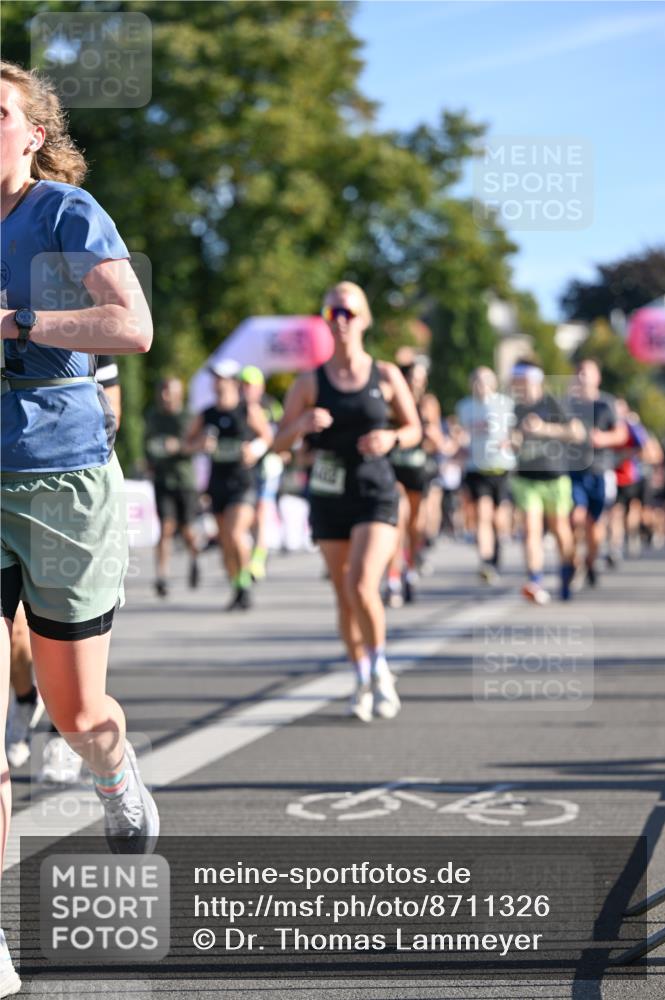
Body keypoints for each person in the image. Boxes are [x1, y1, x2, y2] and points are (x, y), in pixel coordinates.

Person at [1, 60, 159, 994]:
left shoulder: (64, 213)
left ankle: (111, 769)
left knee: (76, 713)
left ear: (32, 133)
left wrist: (17, 322)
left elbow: (131, 327)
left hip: (59, 480)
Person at [273, 282, 421, 722]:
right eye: (332, 312)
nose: (340, 321)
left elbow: (414, 429)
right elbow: (278, 443)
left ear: (364, 320)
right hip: (328, 493)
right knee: (343, 594)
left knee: (361, 584)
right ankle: (359, 676)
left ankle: (380, 669)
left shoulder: (386, 375)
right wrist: (300, 424)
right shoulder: (309, 381)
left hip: (375, 490)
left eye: (348, 313)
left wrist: (392, 438)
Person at [7, 355, 122, 778]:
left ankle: (85, 751)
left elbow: (111, 406)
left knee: (79, 710)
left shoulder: (74, 319)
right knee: (18, 632)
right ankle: (24, 699)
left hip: (58, 489)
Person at [186, 360, 273, 611]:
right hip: (218, 483)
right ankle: (238, 585)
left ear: (234, 381)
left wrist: (255, 449)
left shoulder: (248, 410)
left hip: (242, 482)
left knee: (235, 534)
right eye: (215, 378)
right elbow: (186, 444)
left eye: (222, 378)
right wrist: (200, 444)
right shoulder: (207, 414)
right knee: (225, 541)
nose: (217, 383)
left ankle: (245, 584)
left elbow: (267, 436)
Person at [509, 361, 585, 604]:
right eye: (516, 382)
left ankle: (568, 569)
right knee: (531, 530)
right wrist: (512, 442)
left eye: (522, 381)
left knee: (560, 530)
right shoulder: (515, 408)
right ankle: (535, 581)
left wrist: (544, 429)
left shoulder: (553, 403)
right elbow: (513, 439)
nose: (519, 386)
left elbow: (577, 433)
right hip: (526, 477)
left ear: (535, 380)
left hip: (554, 476)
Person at [386, 353, 450, 606]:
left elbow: (439, 442)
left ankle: (410, 570)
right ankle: (392, 579)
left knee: (416, 526)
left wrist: (433, 436)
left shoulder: (428, 403)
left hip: (419, 470)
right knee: (398, 523)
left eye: (421, 379)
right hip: (395, 470)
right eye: (412, 377)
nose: (416, 383)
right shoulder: (393, 400)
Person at [566, 359, 625, 587]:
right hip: (574, 471)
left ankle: (590, 561)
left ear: (597, 378)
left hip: (600, 470)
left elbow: (621, 434)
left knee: (594, 525)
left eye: (587, 373)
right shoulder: (569, 404)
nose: (582, 377)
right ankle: (574, 563)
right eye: (579, 372)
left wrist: (602, 438)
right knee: (576, 517)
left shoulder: (607, 403)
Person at [456, 367, 516, 584]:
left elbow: (515, 432)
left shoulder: (505, 404)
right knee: (482, 515)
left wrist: (511, 441)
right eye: (476, 381)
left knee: (498, 519)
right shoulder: (465, 407)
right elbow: (461, 434)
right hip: (476, 467)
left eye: (484, 381)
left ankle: (496, 551)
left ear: (493, 383)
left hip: (501, 467)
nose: (480, 386)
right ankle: (486, 561)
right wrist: (459, 447)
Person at [145, 376, 200, 597]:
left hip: (185, 481)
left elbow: (199, 444)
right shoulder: (153, 417)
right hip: (162, 480)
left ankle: (195, 556)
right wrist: (148, 461)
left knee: (187, 530)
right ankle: (162, 577)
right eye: (162, 390)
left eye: (169, 391)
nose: (164, 396)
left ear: (179, 394)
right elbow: (148, 444)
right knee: (165, 527)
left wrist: (179, 446)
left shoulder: (188, 417)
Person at [238, 365, 285, 581]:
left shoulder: (271, 406)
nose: (245, 389)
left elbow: (280, 433)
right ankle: (252, 553)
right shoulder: (237, 406)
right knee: (248, 515)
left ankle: (258, 559)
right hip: (245, 468)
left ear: (260, 387)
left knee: (261, 511)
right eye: (243, 385)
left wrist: (274, 450)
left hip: (268, 466)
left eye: (250, 385)